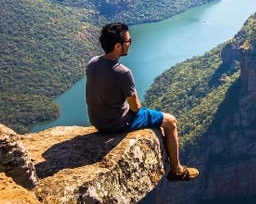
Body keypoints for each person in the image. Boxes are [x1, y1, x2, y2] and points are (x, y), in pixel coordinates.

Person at [85, 22, 199, 182]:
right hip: (118, 124)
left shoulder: (92, 63)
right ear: (118, 46)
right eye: (128, 42)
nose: (130, 44)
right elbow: (136, 107)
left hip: (97, 122)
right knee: (170, 121)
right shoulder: (122, 72)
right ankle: (177, 170)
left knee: (156, 119)